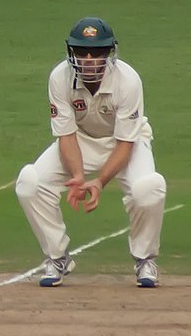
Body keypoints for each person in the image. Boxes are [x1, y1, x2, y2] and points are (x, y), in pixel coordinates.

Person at [15, 17, 166, 288]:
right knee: (30, 183)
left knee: (149, 188)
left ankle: (145, 259)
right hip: (80, 140)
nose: (88, 59)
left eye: (96, 52)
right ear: (71, 52)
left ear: (109, 53)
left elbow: (125, 143)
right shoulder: (59, 77)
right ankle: (57, 256)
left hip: (125, 142)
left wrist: (98, 181)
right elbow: (66, 134)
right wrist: (77, 175)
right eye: (81, 52)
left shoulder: (128, 80)